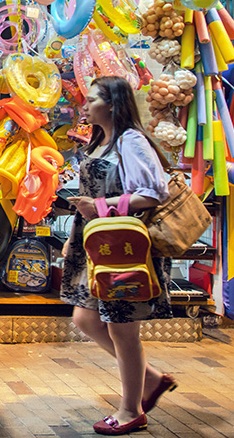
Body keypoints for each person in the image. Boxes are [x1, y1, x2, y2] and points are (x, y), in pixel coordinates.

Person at [60, 76, 176, 436]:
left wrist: (98, 205)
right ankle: (151, 380)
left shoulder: (131, 141)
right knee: (86, 319)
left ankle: (131, 410)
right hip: (95, 244)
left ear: (111, 104)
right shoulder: (101, 140)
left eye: (91, 98)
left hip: (123, 249)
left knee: (122, 329)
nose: (84, 104)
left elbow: (155, 194)